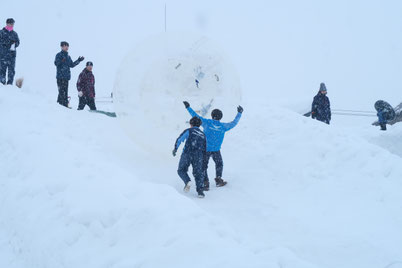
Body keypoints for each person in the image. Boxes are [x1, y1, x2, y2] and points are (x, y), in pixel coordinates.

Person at [183, 101, 243, 190]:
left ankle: (205, 182)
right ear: (220, 117)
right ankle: (218, 179)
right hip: (216, 150)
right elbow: (234, 123)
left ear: (212, 115)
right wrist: (239, 113)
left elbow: (195, 116)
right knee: (219, 164)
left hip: (205, 149)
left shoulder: (207, 123)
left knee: (203, 166)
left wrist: (188, 107)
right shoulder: (223, 126)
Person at [173, 116, 207, 198]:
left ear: (191, 124)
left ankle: (187, 181)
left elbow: (180, 139)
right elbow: (204, 149)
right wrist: (203, 160)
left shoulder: (189, 131)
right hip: (198, 156)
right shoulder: (203, 135)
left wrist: (175, 149)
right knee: (198, 173)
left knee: (181, 170)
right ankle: (200, 191)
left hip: (187, 153)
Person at [54, 41, 84, 107]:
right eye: (65, 45)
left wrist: (78, 60)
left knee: (65, 92)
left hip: (66, 77)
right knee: (61, 92)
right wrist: (62, 60)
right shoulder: (58, 55)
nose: (67, 47)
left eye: (67, 46)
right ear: (61, 47)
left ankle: (60, 105)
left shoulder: (68, 56)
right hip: (60, 77)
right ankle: (62, 105)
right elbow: (56, 63)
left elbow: (72, 65)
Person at [0, 18, 20, 85]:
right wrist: (8, 43)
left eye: (13, 24)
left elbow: (18, 42)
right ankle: (2, 85)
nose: (12, 25)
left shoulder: (14, 34)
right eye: (10, 24)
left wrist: (14, 44)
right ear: (7, 23)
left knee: (11, 72)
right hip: (3, 56)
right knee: (2, 71)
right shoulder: (1, 32)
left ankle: (9, 85)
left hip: (12, 56)